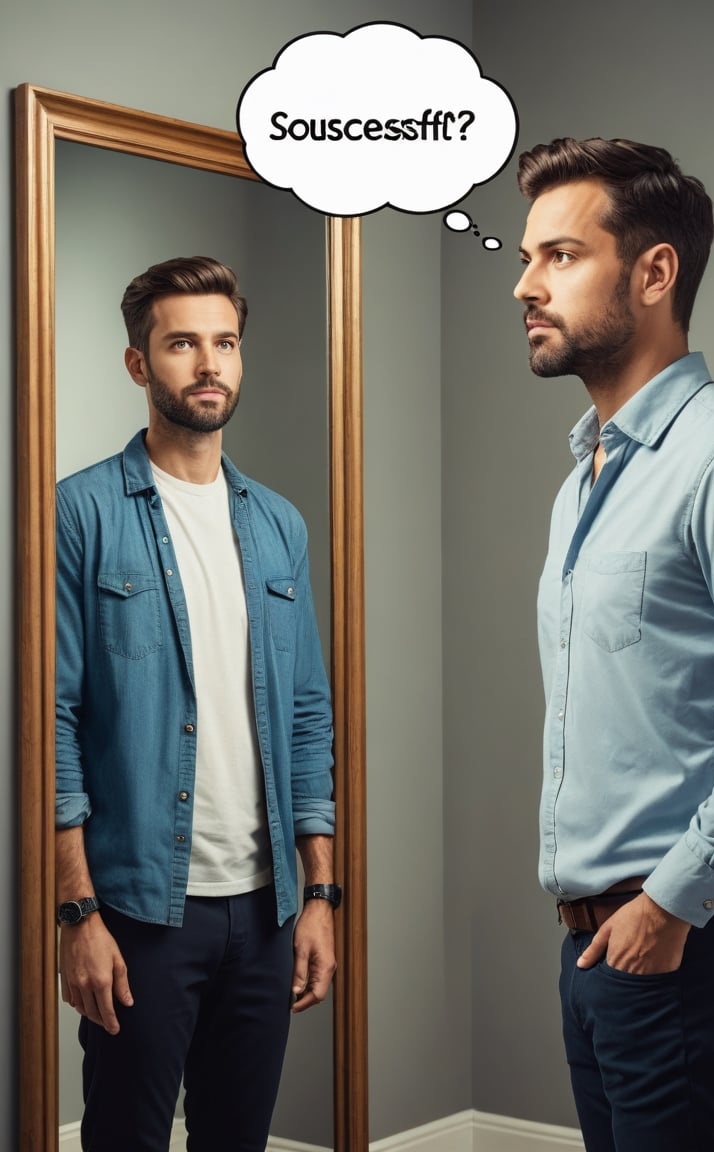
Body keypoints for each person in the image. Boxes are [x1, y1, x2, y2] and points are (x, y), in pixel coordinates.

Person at [514, 138, 714, 1151]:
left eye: (561, 256)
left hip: (687, 947)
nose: (527, 286)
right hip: (594, 954)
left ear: (654, 272)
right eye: (527, 258)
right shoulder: (584, 481)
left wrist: (671, 904)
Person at [55, 255, 340, 1152]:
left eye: (225, 342)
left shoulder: (279, 524)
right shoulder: (80, 514)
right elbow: (52, 723)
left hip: (266, 913)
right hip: (140, 911)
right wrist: (77, 914)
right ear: (140, 364)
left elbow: (306, 718)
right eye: (183, 343)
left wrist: (321, 892)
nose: (209, 364)